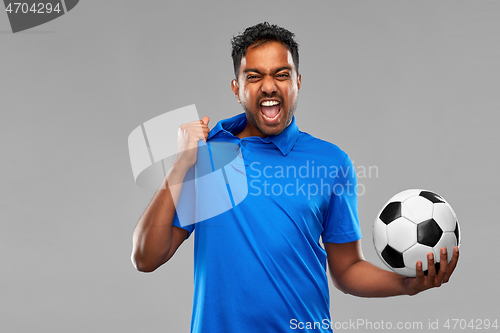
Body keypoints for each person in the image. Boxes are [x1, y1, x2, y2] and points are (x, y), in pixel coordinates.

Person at [131, 22, 459, 332]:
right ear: (237, 88)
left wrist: (406, 285)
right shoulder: (211, 155)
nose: (269, 86)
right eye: (254, 76)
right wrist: (180, 166)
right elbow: (146, 257)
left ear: (298, 82)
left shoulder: (331, 162)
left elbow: (346, 270)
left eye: (282, 74)